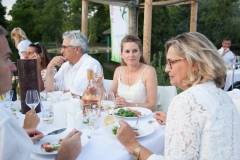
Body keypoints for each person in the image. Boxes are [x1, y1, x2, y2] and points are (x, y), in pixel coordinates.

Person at [116, 32, 240, 160]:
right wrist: (174, 120)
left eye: (171, 62)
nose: (166, 69)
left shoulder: (185, 101)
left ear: (194, 64)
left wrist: (131, 144)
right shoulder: (223, 96)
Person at [0, 26, 82, 159]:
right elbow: (50, 91)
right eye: (6, 58)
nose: (13, 66)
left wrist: (21, 135)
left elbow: (48, 91)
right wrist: (64, 157)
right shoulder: (3, 123)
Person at [96, 35, 157, 111]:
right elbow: (109, 99)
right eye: (127, 51)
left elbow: (153, 105)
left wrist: (128, 105)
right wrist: (99, 85)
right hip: (121, 116)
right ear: (122, 54)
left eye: (135, 51)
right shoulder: (118, 71)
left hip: (142, 117)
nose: (131, 55)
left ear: (140, 53)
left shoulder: (149, 71)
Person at [46, 30, 100, 96]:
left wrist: (54, 94)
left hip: (84, 106)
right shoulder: (65, 65)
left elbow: (75, 93)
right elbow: (50, 89)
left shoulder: (91, 65)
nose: (61, 51)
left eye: (64, 47)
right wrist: (50, 67)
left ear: (77, 49)